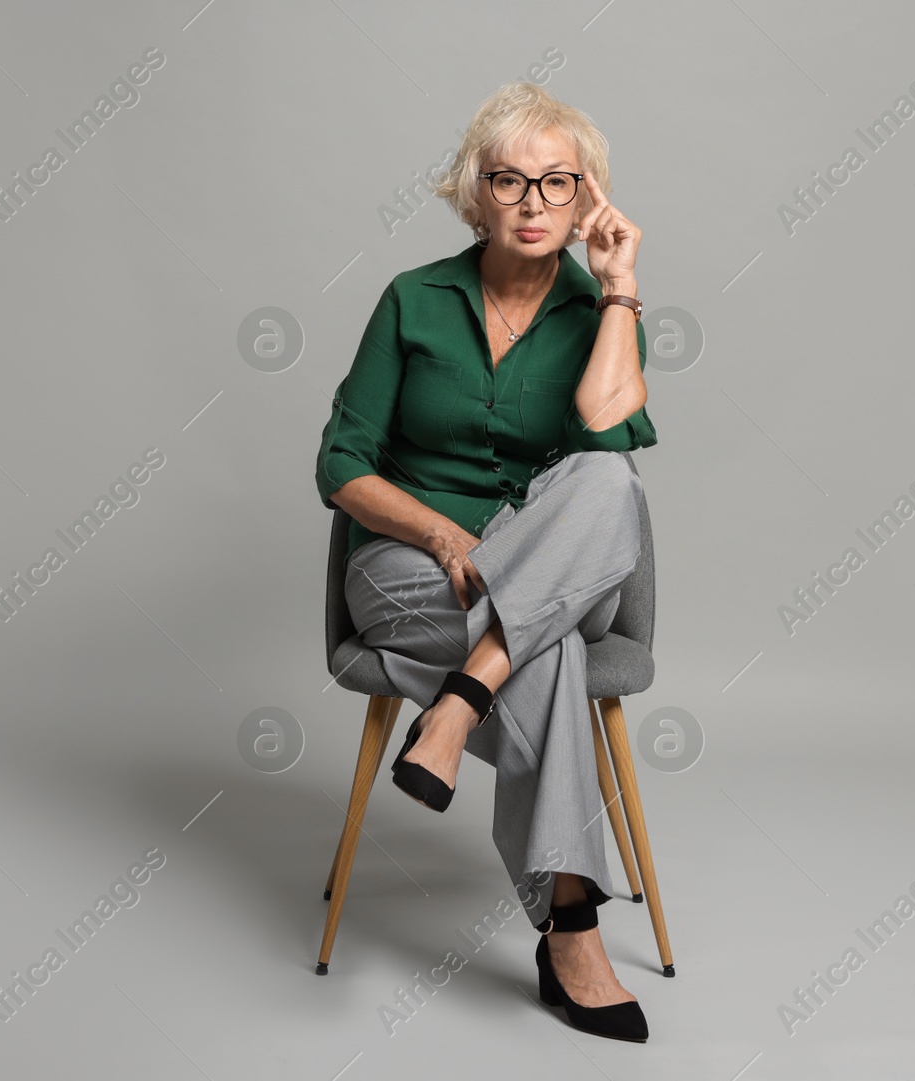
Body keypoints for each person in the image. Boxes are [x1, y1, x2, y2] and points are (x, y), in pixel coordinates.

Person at [314, 81, 659, 1042]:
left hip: (562, 571)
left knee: (608, 475)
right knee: (547, 654)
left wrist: (621, 285)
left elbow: (604, 433)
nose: (536, 204)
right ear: (478, 194)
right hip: (414, 573)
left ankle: (460, 701)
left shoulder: (601, 306)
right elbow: (339, 464)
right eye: (512, 181)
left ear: (589, 197)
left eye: (561, 183)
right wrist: (437, 531)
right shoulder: (412, 300)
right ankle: (574, 932)